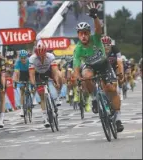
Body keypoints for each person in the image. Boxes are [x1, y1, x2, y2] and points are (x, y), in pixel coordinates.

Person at [73, 2, 124, 132]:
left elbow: (98, 29)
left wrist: (95, 17)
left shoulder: (96, 38)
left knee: (111, 89)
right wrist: (78, 78)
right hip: (91, 66)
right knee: (86, 76)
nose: (83, 36)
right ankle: (95, 98)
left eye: (85, 33)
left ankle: (118, 119)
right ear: (78, 35)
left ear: (89, 33)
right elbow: (76, 67)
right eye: (80, 34)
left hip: (104, 65)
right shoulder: (78, 49)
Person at [29, 40, 62, 127]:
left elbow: (54, 72)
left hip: (48, 72)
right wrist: (33, 85)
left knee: (59, 75)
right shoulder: (32, 59)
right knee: (42, 96)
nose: (41, 57)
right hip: (38, 75)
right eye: (39, 56)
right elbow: (31, 75)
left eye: (43, 55)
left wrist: (56, 81)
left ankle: (56, 99)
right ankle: (45, 118)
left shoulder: (50, 56)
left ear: (46, 52)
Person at [101, 35, 124, 101]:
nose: (106, 47)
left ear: (111, 45)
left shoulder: (115, 49)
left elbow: (120, 62)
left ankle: (120, 89)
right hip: (104, 68)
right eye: (104, 45)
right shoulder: (99, 51)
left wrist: (121, 74)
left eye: (108, 45)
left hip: (115, 65)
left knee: (119, 74)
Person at [13, 50, 30, 117]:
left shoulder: (30, 61)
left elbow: (32, 73)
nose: (23, 59)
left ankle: (33, 99)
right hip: (21, 75)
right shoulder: (17, 63)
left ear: (27, 57)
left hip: (29, 73)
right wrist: (15, 81)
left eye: (24, 58)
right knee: (22, 92)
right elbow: (16, 73)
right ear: (19, 57)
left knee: (33, 85)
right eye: (21, 58)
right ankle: (22, 109)